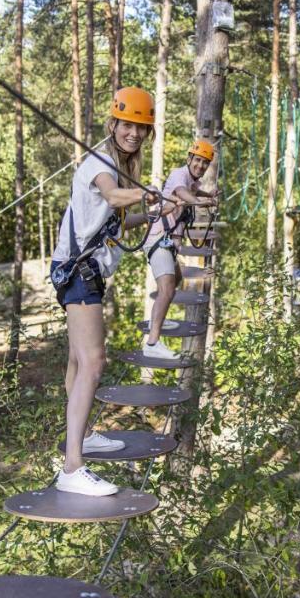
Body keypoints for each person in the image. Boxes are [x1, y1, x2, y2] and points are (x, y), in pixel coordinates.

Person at [50, 86, 164, 496]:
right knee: (94, 361)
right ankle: (72, 467)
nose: (134, 133)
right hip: (78, 272)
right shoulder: (102, 162)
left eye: (141, 127)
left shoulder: (117, 164)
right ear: (114, 123)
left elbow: (112, 222)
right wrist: (145, 193)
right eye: (128, 125)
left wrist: (154, 211)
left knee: (79, 364)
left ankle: (81, 438)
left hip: (82, 270)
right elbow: (112, 195)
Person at [141, 139, 219, 361]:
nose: (200, 166)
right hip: (158, 238)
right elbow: (183, 192)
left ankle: (160, 317)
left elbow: (195, 190)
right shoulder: (179, 175)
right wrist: (198, 202)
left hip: (166, 240)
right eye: (197, 161)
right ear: (189, 159)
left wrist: (209, 196)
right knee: (167, 289)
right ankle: (153, 342)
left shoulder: (192, 180)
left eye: (205, 163)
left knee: (173, 280)